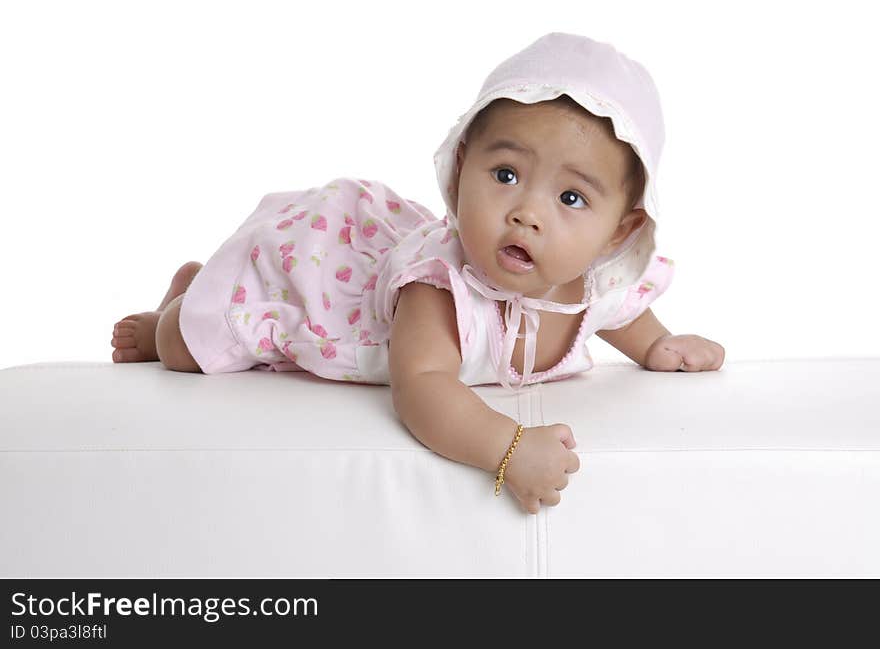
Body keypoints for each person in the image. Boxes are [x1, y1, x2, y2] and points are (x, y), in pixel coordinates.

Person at [110, 32, 725, 514]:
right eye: (506, 174)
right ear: (461, 170)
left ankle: (193, 290)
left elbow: (620, 311)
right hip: (317, 270)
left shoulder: (589, 282)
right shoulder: (436, 289)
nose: (527, 213)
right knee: (184, 348)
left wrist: (658, 345)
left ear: (619, 232)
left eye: (571, 199)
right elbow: (423, 387)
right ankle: (186, 297)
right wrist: (508, 449)